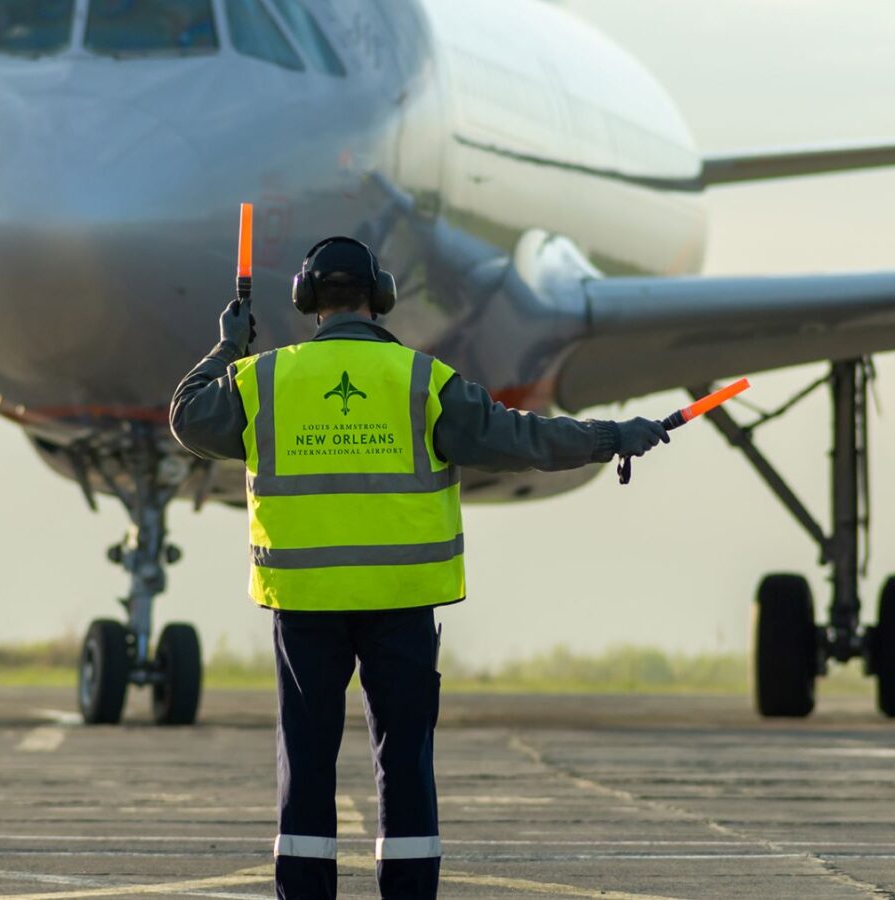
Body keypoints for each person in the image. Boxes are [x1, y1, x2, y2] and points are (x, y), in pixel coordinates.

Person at [169, 236, 667, 900]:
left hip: (306, 603)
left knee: (308, 765)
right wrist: (611, 436)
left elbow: (187, 416)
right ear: (381, 299)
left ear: (307, 300)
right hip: (401, 605)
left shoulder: (263, 379)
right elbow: (525, 439)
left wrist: (228, 345)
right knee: (403, 762)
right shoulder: (421, 381)